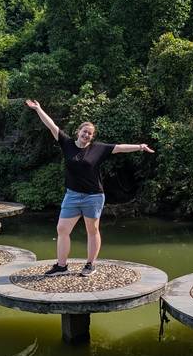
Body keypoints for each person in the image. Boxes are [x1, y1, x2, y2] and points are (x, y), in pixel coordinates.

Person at [25, 99, 154, 277]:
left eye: (90, 134)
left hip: (93, 196)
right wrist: (39, 109)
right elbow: (51, 125)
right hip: (72, 195)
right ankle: (61, 266)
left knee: (92, 230)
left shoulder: (98, 149)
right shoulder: (67, 143)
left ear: (92, 137)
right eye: (85, 132)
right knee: (62, 229)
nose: (87, 135)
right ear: (78, 132)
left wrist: (139, 147)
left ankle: (90, 265)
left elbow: (119, 148)